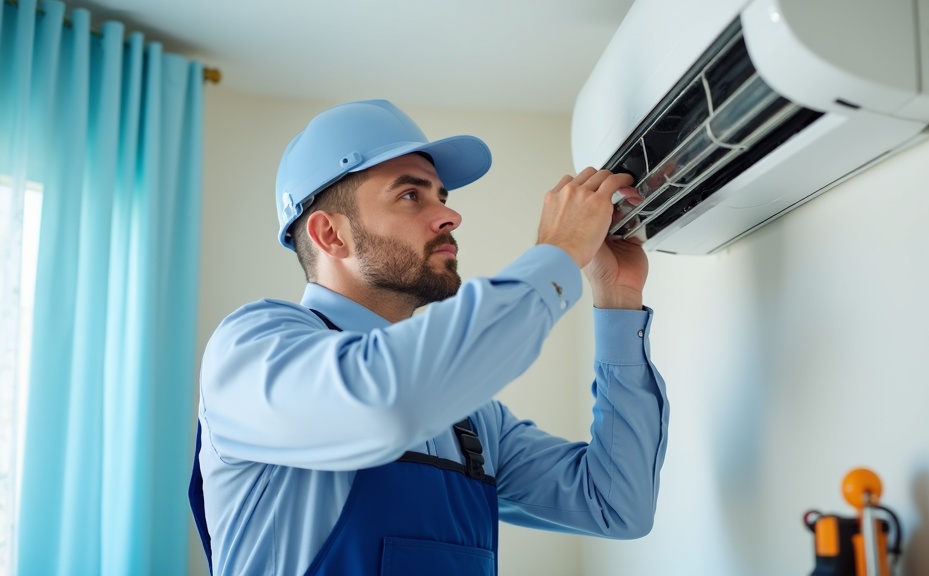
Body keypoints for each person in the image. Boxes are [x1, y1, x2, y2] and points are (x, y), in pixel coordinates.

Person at [189, 99, 669, 575]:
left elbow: (616, 505)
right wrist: (558, 254)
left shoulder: (471, 420)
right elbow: (384, 401)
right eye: (411, 195)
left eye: (442, 196)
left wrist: (618, 297)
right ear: (330, 235)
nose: (449, 216)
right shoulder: (252, 349)